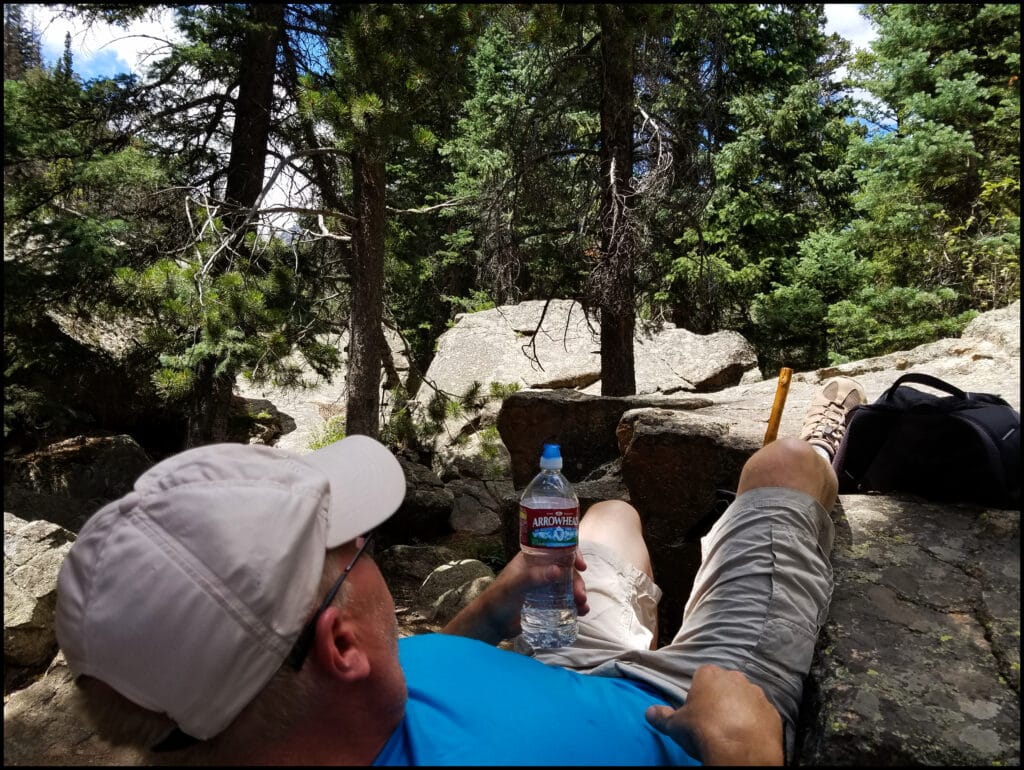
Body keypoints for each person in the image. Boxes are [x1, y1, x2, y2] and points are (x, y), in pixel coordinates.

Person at [54, 377, 867, 765]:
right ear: (339, 644)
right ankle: (832, 445)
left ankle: (633, 620)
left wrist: (486, 614)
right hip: (682, 709)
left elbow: (381, 697)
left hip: (558, 666)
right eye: (356, 551)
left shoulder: (269, 717)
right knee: (784, 465)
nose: (367, 555)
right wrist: (747, 755)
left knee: (608, 519)